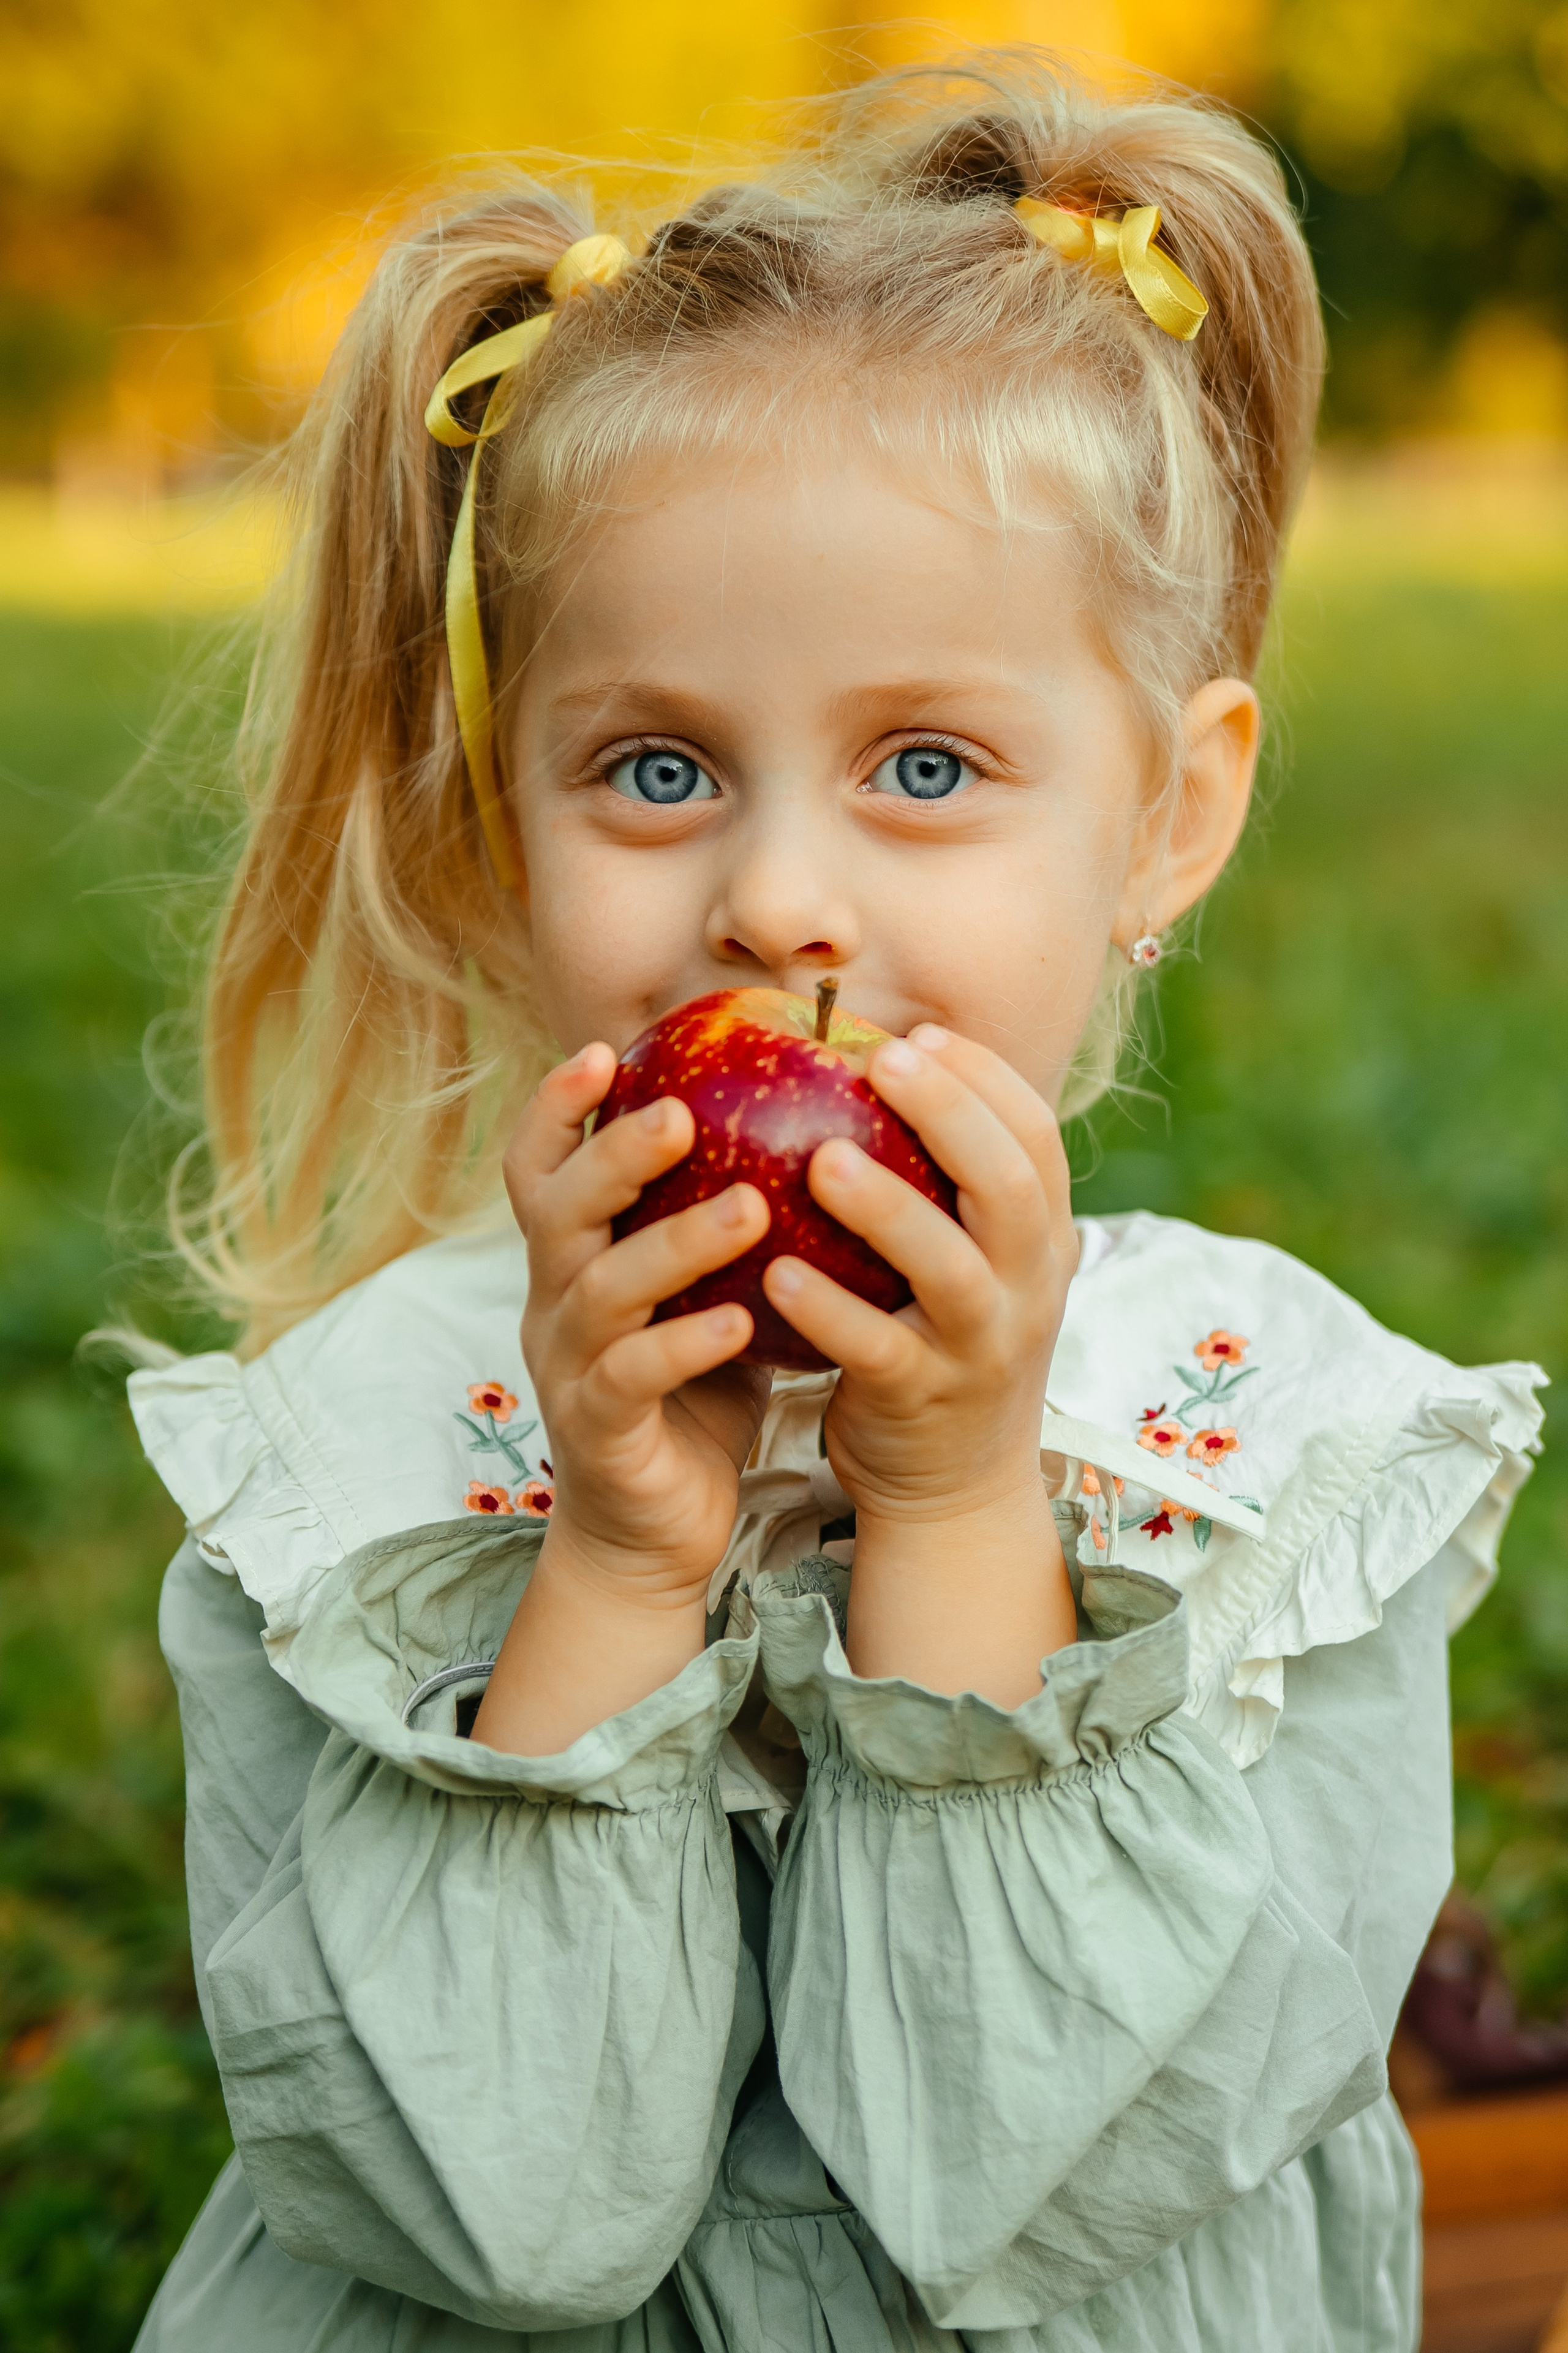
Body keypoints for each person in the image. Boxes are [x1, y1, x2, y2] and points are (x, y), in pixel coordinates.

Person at [127, 54, 1545, 2353]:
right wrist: (613, 1555)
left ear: (1172, 819)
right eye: (659, 768)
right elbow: (496, 2220)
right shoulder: (359, 1471)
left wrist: (967, 1498)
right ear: (507, 831)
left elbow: (1029, 2180)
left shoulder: (1271, 1463)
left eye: (926, 764)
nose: (778, 901)